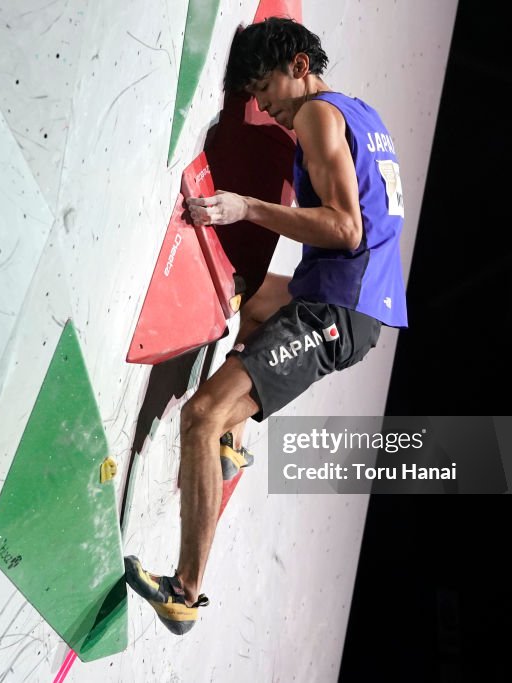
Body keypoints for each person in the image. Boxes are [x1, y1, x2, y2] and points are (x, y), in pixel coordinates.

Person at [124, 17, 408, 635]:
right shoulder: (360, 112)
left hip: (338, 312)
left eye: (266, 87)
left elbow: (346, 229)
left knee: (199, 416)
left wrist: (246, 206)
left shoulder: (315, 117)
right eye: (253, 94)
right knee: (252, 305)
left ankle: (185, 592)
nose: (263, 104)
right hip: (345, 297)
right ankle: (231, 444)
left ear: (300, 66)